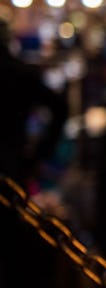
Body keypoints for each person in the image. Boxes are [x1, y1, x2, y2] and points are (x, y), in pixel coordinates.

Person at [0, 21, 68, 188]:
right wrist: (42, 152)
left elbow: (59, 108)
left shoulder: (20, 73)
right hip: (12, 161)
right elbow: (60, 107)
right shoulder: (21, 73)